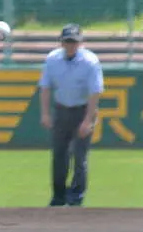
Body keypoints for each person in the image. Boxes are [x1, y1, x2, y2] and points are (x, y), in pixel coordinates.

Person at [38, 23, 104, 207]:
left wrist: (88, 120)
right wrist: (45, 113)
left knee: (80, 156)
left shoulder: (90, 62)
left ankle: (76, 197)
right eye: (67, 41)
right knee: (59, 155)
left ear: (80, 43)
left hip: (82, 110)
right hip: (61, 110)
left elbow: (95, 93)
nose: (70, 45)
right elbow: (45, 87)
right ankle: (58, 197)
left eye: (74, 42)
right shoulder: (52, 59)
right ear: (61, 42)